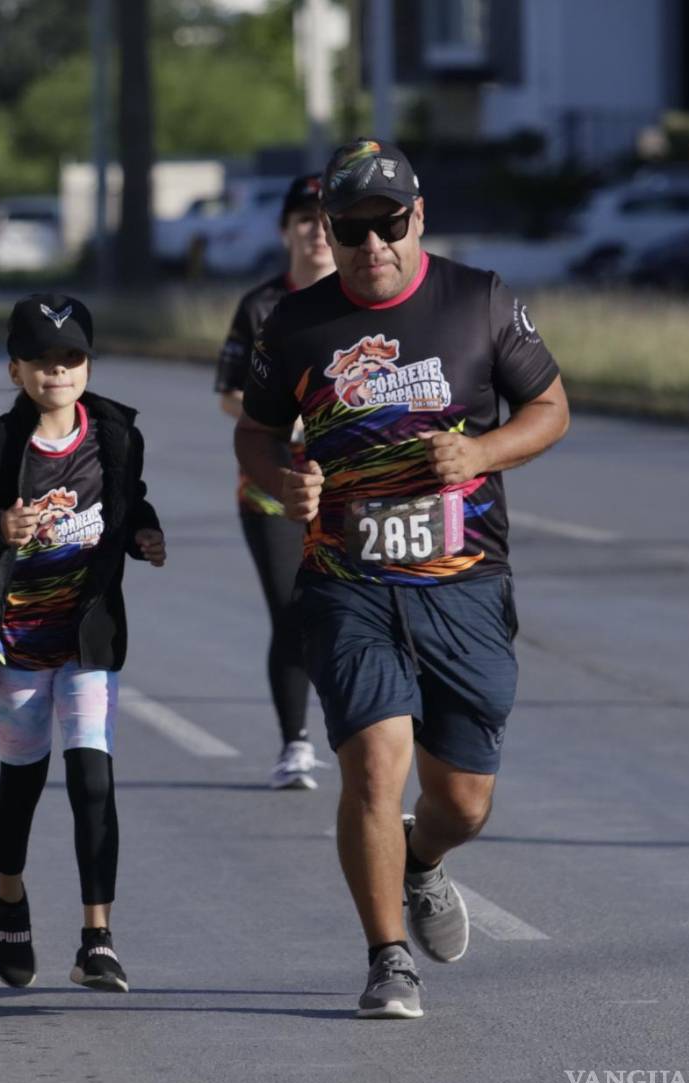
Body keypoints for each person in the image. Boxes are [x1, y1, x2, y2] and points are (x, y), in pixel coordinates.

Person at [237, 138, 570, 1020]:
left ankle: (423, 857)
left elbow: (551, 407)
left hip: (463, 582)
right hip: (348, 580)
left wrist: (482, 450)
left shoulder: (480, 301)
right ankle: (388, 959)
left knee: (462, 800)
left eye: (389, 224)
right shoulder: (296, 324)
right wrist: (284, 477)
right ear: (330, 232)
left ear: (418, 216)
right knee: (374, 768)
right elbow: (259, 433)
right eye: (352, 229)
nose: (372, 244)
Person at [0, 293, 165, 994]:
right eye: (41, 360)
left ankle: (98, 938)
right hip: (16, 643)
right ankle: (8, 893)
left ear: (88, 364)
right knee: (24, 781)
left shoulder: (117, 434)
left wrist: (145, 532)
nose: (57, 372)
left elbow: (129, 497)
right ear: (15, 368)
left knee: (93, 775)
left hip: (86, 639)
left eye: (71, 358)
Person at [215, 174, 333, 790]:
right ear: (286, 230)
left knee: (348, 615)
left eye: (324, 218)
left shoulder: (356, 302)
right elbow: (230, 395)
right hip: (271, 486)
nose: (317, 230)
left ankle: (364, 728)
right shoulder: (261, 306)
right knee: (292, 613)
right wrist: (288, 419)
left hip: (349, 485)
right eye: (304, 219)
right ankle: (296, 743)